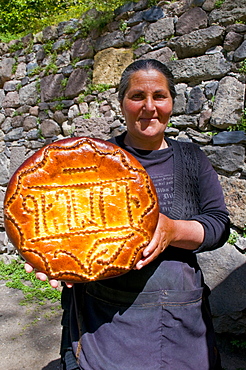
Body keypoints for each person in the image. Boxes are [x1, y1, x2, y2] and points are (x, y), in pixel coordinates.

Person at [26, 59, 230, 369]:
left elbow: (218, 226)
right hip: (105, 324)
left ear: (171, 102)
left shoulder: (191, 159)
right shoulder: (94, 160)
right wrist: (56, 258)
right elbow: (64, 221)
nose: (149, 106)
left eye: (159, 96)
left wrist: (174, 231)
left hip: (179, 320)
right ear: (122, 103)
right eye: (137, 96)